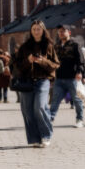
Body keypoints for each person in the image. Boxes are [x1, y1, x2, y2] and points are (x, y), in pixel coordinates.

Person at [12, 20, 59, 148]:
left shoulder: (48, 46)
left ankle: (46, 135)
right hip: (26, 81)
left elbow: (55, 65)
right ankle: (35, 138)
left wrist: (42, 61)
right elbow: (17, 66)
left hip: (42, 81)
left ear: (43, 30)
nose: (36, 31)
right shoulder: (24, 47)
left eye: (38, 29)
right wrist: (28, 60)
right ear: (31, 31)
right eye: (34, 29)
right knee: (27, 111)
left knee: (39, 107)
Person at [49, 25, 85, 128]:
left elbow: (80, 60)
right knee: (55, 100)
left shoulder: (75, 45)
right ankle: (50, 119)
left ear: (69, 32)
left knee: (77, 100)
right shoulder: (56, 46)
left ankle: (79, 119)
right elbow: (52, 61)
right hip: (59, 78)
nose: (61, 33)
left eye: (63, 31)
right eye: (59, 31)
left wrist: (80, 73)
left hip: (72, 78)